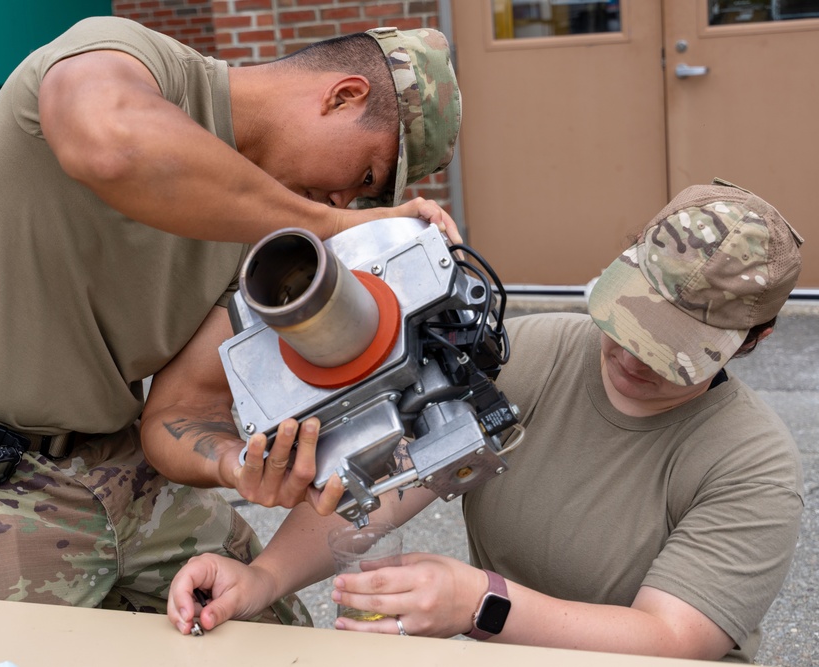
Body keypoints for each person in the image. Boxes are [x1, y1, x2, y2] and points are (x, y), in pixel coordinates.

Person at [0, 15, 462, 622]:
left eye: (361, 202)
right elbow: (111, 146)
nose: (343, 204)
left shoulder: (260, 243)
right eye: (363, 177)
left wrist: (235, 466)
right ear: (343, 97)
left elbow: (177, 414)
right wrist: (331, 228)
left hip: (110, 459)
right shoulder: (128, 57)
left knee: (267, 630)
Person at [166, 179, 805, 662]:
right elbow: (400, 476)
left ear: (754, 339)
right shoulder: (530, 352)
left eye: (672, 349)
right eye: (630, 322)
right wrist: (261, 579)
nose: (634, 356)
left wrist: (482, 603)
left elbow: (669, 637)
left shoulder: (751, 464)